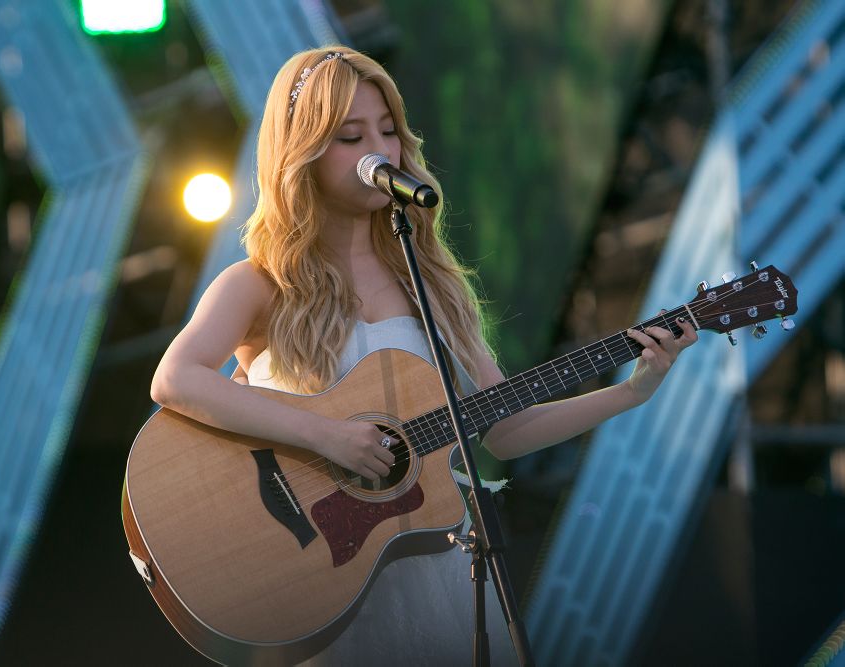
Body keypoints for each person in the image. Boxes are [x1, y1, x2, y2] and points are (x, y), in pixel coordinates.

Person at [150, 46, 698, 666]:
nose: (378, 151)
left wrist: (630, 391)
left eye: (388, 130)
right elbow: (174, 379)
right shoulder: (258, 284)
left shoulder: (431, 283)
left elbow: (506, 428)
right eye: (350, 137)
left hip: (437, 577)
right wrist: (327, 436)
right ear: (302, 153)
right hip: (316, 581)